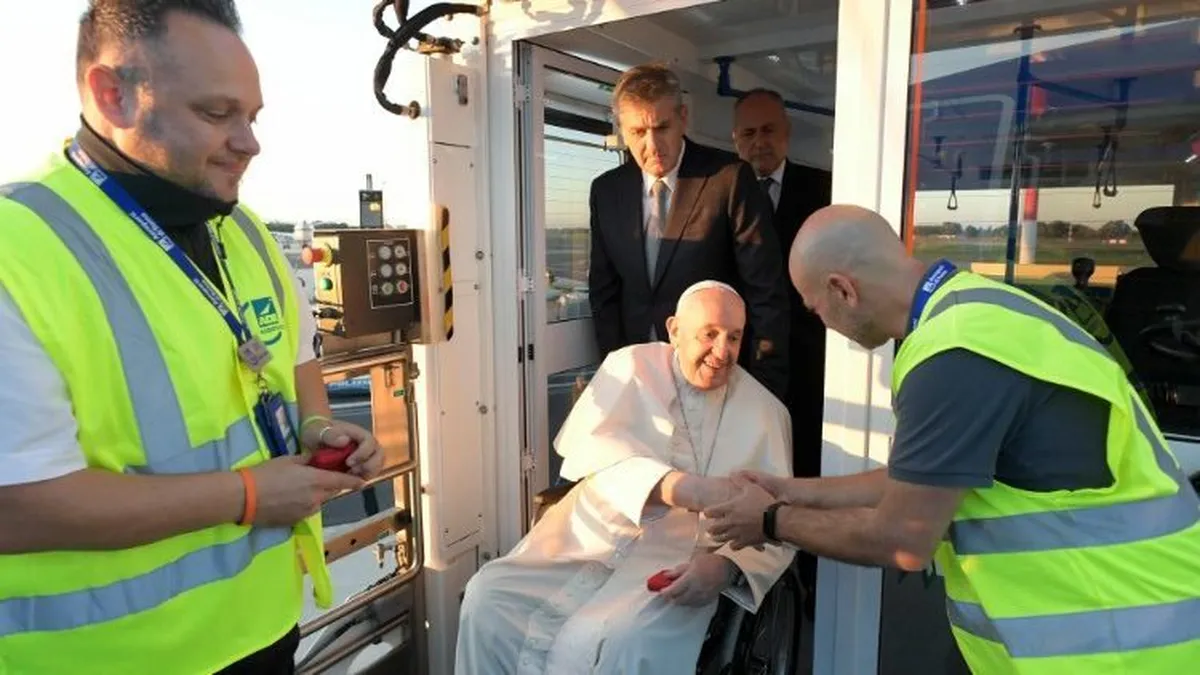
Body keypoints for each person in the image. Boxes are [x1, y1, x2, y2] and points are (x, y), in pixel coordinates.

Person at [0, 2, 383, 673]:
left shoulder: (247, 232)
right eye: (216, 113)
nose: (249, 142)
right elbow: (18, 509)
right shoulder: (18, 249)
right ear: (111, 94)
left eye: (252, 116)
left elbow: (298, 380)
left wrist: (322, 430)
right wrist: (250, 496)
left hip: (266, 628)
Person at [705, 204, 1200, 673]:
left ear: (843, 290)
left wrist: (770, 520)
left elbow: (902, 538)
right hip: (1126, 624)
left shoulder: (953, 354)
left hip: (1121, 644)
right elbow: (921, 480)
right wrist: (791, 490)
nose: (825, 325)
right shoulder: (977, 314)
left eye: (816, 310)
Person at [455, 281, 794, 675]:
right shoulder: (630, 367)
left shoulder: (765, 413)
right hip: (590, 540)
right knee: (487, 597)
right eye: (709, 334)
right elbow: (593, 455)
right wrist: (689, 489)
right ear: (674, 330)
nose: (723, 352)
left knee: (622, 641)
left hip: (680, 564)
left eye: (734, 337)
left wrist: (725, 568)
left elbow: (776, 524)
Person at [587, 63, 791, 401]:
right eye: (638, 132)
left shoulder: (729, 178)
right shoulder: (606, 191)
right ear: (621, 129)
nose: (652, 145)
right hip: (638, 382)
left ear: (683, 118)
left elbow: (766, 293)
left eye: (662, 127)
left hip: (717, 376)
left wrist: (763, 392)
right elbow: (603, 292)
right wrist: (614, 375)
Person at [731, 87, 831, 480]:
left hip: (810, 355)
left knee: (806, 456)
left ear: (786, 132)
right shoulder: (719, 192)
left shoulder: (826, 188)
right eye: (749, 133)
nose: (759, 142)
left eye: (768, 130)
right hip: (740, 356)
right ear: (735, 139)